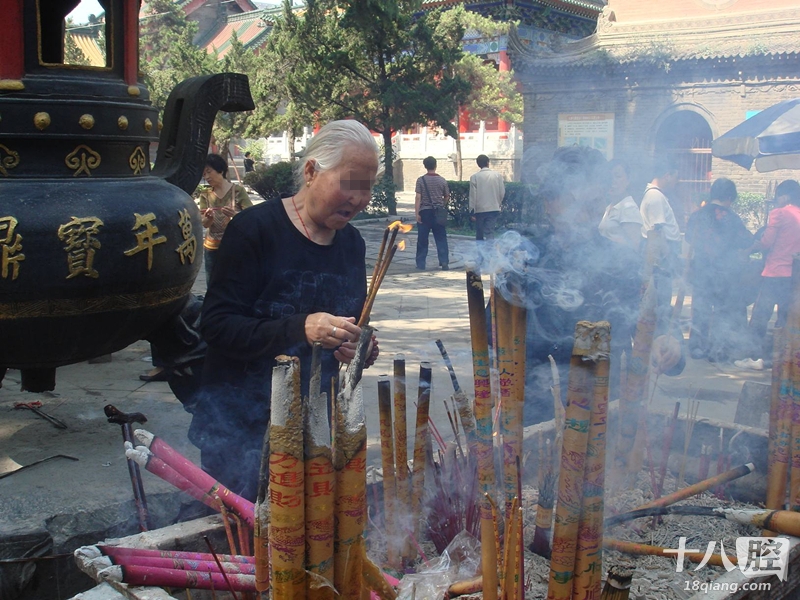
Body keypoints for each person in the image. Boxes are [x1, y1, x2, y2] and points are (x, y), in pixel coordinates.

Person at [189, 120, 381, 500]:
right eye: (350, 183)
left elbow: (352, 325)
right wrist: (300, 328)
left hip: (313, 423)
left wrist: (359, 348)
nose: (359, 198)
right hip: (240, 421)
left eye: (368, 187)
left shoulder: (352, 245)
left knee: (306, 537)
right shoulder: (254, 230)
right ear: (311, 171)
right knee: (245, 539)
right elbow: (216, 325)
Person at [513, 146, 683, 426]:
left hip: (604, 411)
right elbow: (494, 335)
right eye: (571, 201)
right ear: (548, 202)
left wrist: (666, 340)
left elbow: (653, 322)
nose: (581, 213)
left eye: (591, 202)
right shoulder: (524, 261)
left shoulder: (624, 262)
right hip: (535, 410)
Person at [685, 178, 753, 363]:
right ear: (729, 197)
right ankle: (717, 350)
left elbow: (689, 239)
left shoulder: (696, 216)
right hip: (725, 274)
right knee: (723, 312)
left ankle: (697, 348)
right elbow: (746, 241)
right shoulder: (731, 218)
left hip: (701, 272)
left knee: (701, 310)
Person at [735, 179, 800, 371]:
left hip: (774, 272)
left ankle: (752, 356)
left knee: (760, 316)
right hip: (793, 275)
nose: (777, 201)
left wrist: (748, 250)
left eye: (778, 197)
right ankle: (779, 360)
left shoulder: (779, 214)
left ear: (785, 196)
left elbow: (766, 242)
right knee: (784, 318)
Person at [198, 154, 253, 282]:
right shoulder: (205, 194)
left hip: (234, 245)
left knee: (234, 281)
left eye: (209, 172)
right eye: (203, 174)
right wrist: (209, 218)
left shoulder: (238, 191)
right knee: (212, 282)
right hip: (211, 247)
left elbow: (251, 217)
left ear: (221, 170)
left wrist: (235, 215)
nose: (206, 177)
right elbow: (205, 224)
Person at [640, 159, 682, 324]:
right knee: (662, 298)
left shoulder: (654, 194)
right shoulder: (655, 195)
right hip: (662, 254)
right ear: (667, 175)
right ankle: (660, 333)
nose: (676, 182)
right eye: (675, 177)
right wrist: (667, 255)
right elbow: (657, 230)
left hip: (662, 252)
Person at [598, 160, 643, 251]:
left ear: (628, 180)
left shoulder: (629, 208)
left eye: (618, 176)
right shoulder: (609, 207)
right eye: (609, 177)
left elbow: (634, 246)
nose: (612, 181)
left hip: (619, 264)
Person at [415, 156, 450, 271]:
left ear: (425, 166)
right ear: (435, 165)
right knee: (441, 238)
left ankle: (421, 263)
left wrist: (417, 213)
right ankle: (444, 261)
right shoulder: (442, 180)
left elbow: (418, 197)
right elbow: (447, 196)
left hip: (425, 212)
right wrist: (442, 205)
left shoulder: (421, 180)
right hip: (438, 213)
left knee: (422, 239)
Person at [469, 154, 505, 241]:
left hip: (480, 210)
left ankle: (480, 253)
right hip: (493, 208)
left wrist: (472, 211)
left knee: (479, 233)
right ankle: (489, 252)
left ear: (478, 164)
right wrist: (498, 203)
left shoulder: (474, 177)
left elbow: (473, 196)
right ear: (488, 163)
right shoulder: (497, 176)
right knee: (490, 232)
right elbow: (502, 192)